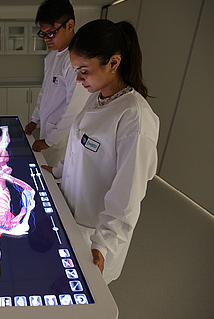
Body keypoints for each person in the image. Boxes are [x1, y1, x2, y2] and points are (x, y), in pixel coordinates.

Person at [43, 19, 159, 284]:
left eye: (84, 70)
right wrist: (57, 171)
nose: (78, 79)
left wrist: (103, 246)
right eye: (76, 70)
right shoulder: (98, 97)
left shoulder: (134, 119)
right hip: (72, 215)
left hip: (97, 236)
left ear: (113, 63)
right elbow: (78, 147)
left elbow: (127, 196)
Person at [24, 0, 88, 167]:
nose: (46, 39)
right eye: (43, 34)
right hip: (49, 131)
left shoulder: (75, 61)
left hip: (63, 140)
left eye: (51, 33)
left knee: (58, 178)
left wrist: (49, 142)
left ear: (70, 25)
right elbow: (45, 91)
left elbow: (74, 109)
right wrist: (35, 118)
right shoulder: (52, 56)